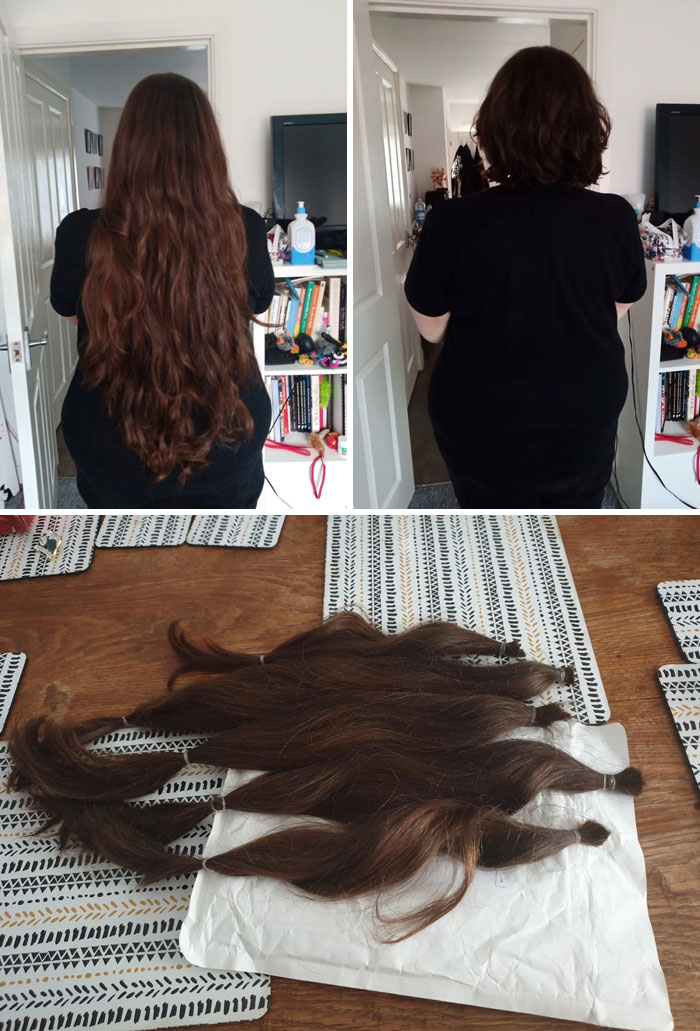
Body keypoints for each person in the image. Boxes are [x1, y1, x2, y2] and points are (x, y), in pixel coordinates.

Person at [404, 46, 647, 509]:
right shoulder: (614, 217)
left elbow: (432, 328)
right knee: (575, 523)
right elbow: (614, 309)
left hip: (480, 412)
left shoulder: (452, 220)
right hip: (583, 408)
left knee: (489, 525)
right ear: (586, 130)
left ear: (497, 128)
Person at [51, 73, 275, 508]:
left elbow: (75, 313)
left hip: (108, 441)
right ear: (207, 148)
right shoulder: (244, 227)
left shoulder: (80, 233)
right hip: (225, 441)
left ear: (129, 148)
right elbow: (257, 302)